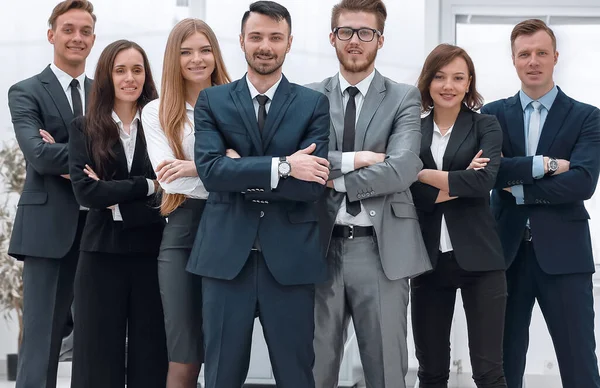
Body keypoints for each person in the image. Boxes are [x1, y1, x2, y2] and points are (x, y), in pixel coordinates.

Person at [188, 1, 331, 387]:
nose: (265, 45)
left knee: (296, 376)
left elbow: (310, 185)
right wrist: (282, 165)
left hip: (290, 261)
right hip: (224, 258)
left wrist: (241, 167)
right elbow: (212, 172)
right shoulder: (212, 101)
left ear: (288, 43)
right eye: (256, 37)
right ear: (241, 41)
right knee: (220, 376)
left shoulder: (313, 104)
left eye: (275, 37)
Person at [307, 1, 430, 387]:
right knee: (314, 369)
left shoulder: (403, 97)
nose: (355, 41)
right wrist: (357, 159)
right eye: (346, 31)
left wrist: (335, 179)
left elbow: (404, 166)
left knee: (386, 372)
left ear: (380, 40)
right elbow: (299, 162)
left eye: (366, 33)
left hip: (380, 251)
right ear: (332, 37)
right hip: (319, 248)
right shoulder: (307, 97)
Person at [481, 19, 600, 388]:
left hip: (565, 258)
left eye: (541, 53)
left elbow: (581, 182)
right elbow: (491, 174)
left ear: (555, 58)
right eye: (525, 54)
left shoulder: (587, 116)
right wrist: (544, 168)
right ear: (514, 60)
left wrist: (518, 191)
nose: (533, 61)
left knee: (580, 362)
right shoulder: (492, 115)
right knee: (501, 362)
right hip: (504, 255)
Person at [68, 39, 168, 387]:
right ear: (107, 76)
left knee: (151, 357)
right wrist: (146, 186)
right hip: (99, 256)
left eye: (137, 70)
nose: (130, 78)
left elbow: (171, 192)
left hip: (151, 255)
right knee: (96, 359)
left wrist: (113, 197)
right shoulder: (83, 127)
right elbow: (86, 192)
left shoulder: (162, 126)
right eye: (120, 70)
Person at [6, 1, 95, 386]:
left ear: (93, 38)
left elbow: (123, 156)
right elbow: (39, 156)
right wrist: (93, 154)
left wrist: (66, 149)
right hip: (47, 230)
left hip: (101, 228)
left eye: (86, 31)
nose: (77, 37)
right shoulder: (25, 91)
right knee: (42, 339)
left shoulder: (104, 93)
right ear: (52, 34)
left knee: (95, 339)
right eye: (69, 29)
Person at [409, 43, 506, 388]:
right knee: (431, 371)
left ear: (468, 84)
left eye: (458, 77)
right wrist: (459, 178)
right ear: (428, 81)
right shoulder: (411, 130)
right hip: (428, 261)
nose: (448, 85)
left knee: (489, 372)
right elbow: (405, 191)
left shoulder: (486, 125)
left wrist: (419, 173)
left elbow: (484, 182)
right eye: (440, 76)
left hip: (482, 262)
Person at [141, 18, 231, 388]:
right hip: (182, 229)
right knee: (184, 352)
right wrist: (226, 165)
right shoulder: (157, 112)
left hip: (232, 225)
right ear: (173, 60)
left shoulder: (237, 103)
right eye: (186, 52)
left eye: (205, 49)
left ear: (216, 54)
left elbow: (252, 169)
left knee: (228, 348)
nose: (197, 59)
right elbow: (167, 176)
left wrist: (195, 166)